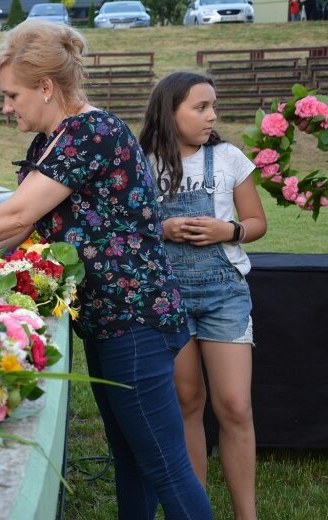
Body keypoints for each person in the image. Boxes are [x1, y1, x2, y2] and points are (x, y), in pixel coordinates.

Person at [0, 20, 213, 520]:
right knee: (132, 460)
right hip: (111, 323)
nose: (6, 107)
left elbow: (17, 214)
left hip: (134, 323)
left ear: (46, 88)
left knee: (165, 467)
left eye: (12, 95)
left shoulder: (90, 132)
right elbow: (22, 226)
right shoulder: (53, 139)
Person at [139, 72, 267, 520]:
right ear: (169, 110)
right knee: (186, 403)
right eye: (200, 107)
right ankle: (195, 512)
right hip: (168, 295)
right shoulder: (144, 163)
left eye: (213, 106)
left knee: (234, 404)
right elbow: (130, 228)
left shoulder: (229, 157)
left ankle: (245, 515)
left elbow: (256, 222)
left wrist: (227, 230)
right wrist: (163, 228)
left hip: (224, 295)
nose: (211, 116)